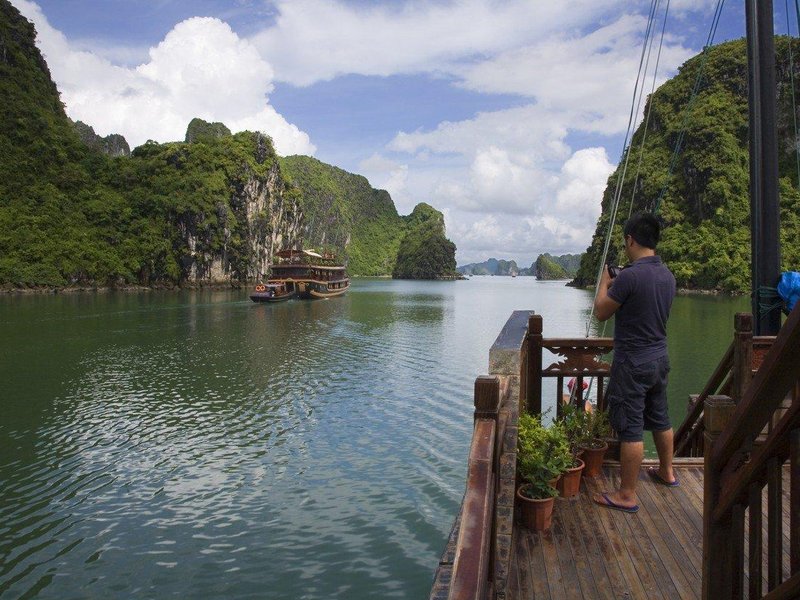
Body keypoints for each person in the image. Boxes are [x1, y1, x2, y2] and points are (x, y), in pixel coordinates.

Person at [591, 212, 677, 513]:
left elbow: (601, 312)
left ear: (630, 240)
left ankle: (627, 494)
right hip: (660, 358)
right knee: (662, 418)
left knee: (631, 428)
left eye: (625, 241)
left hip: (632, 363)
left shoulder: (628, 276)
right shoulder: (668, 276)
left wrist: (605, 282)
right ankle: (667, 472)